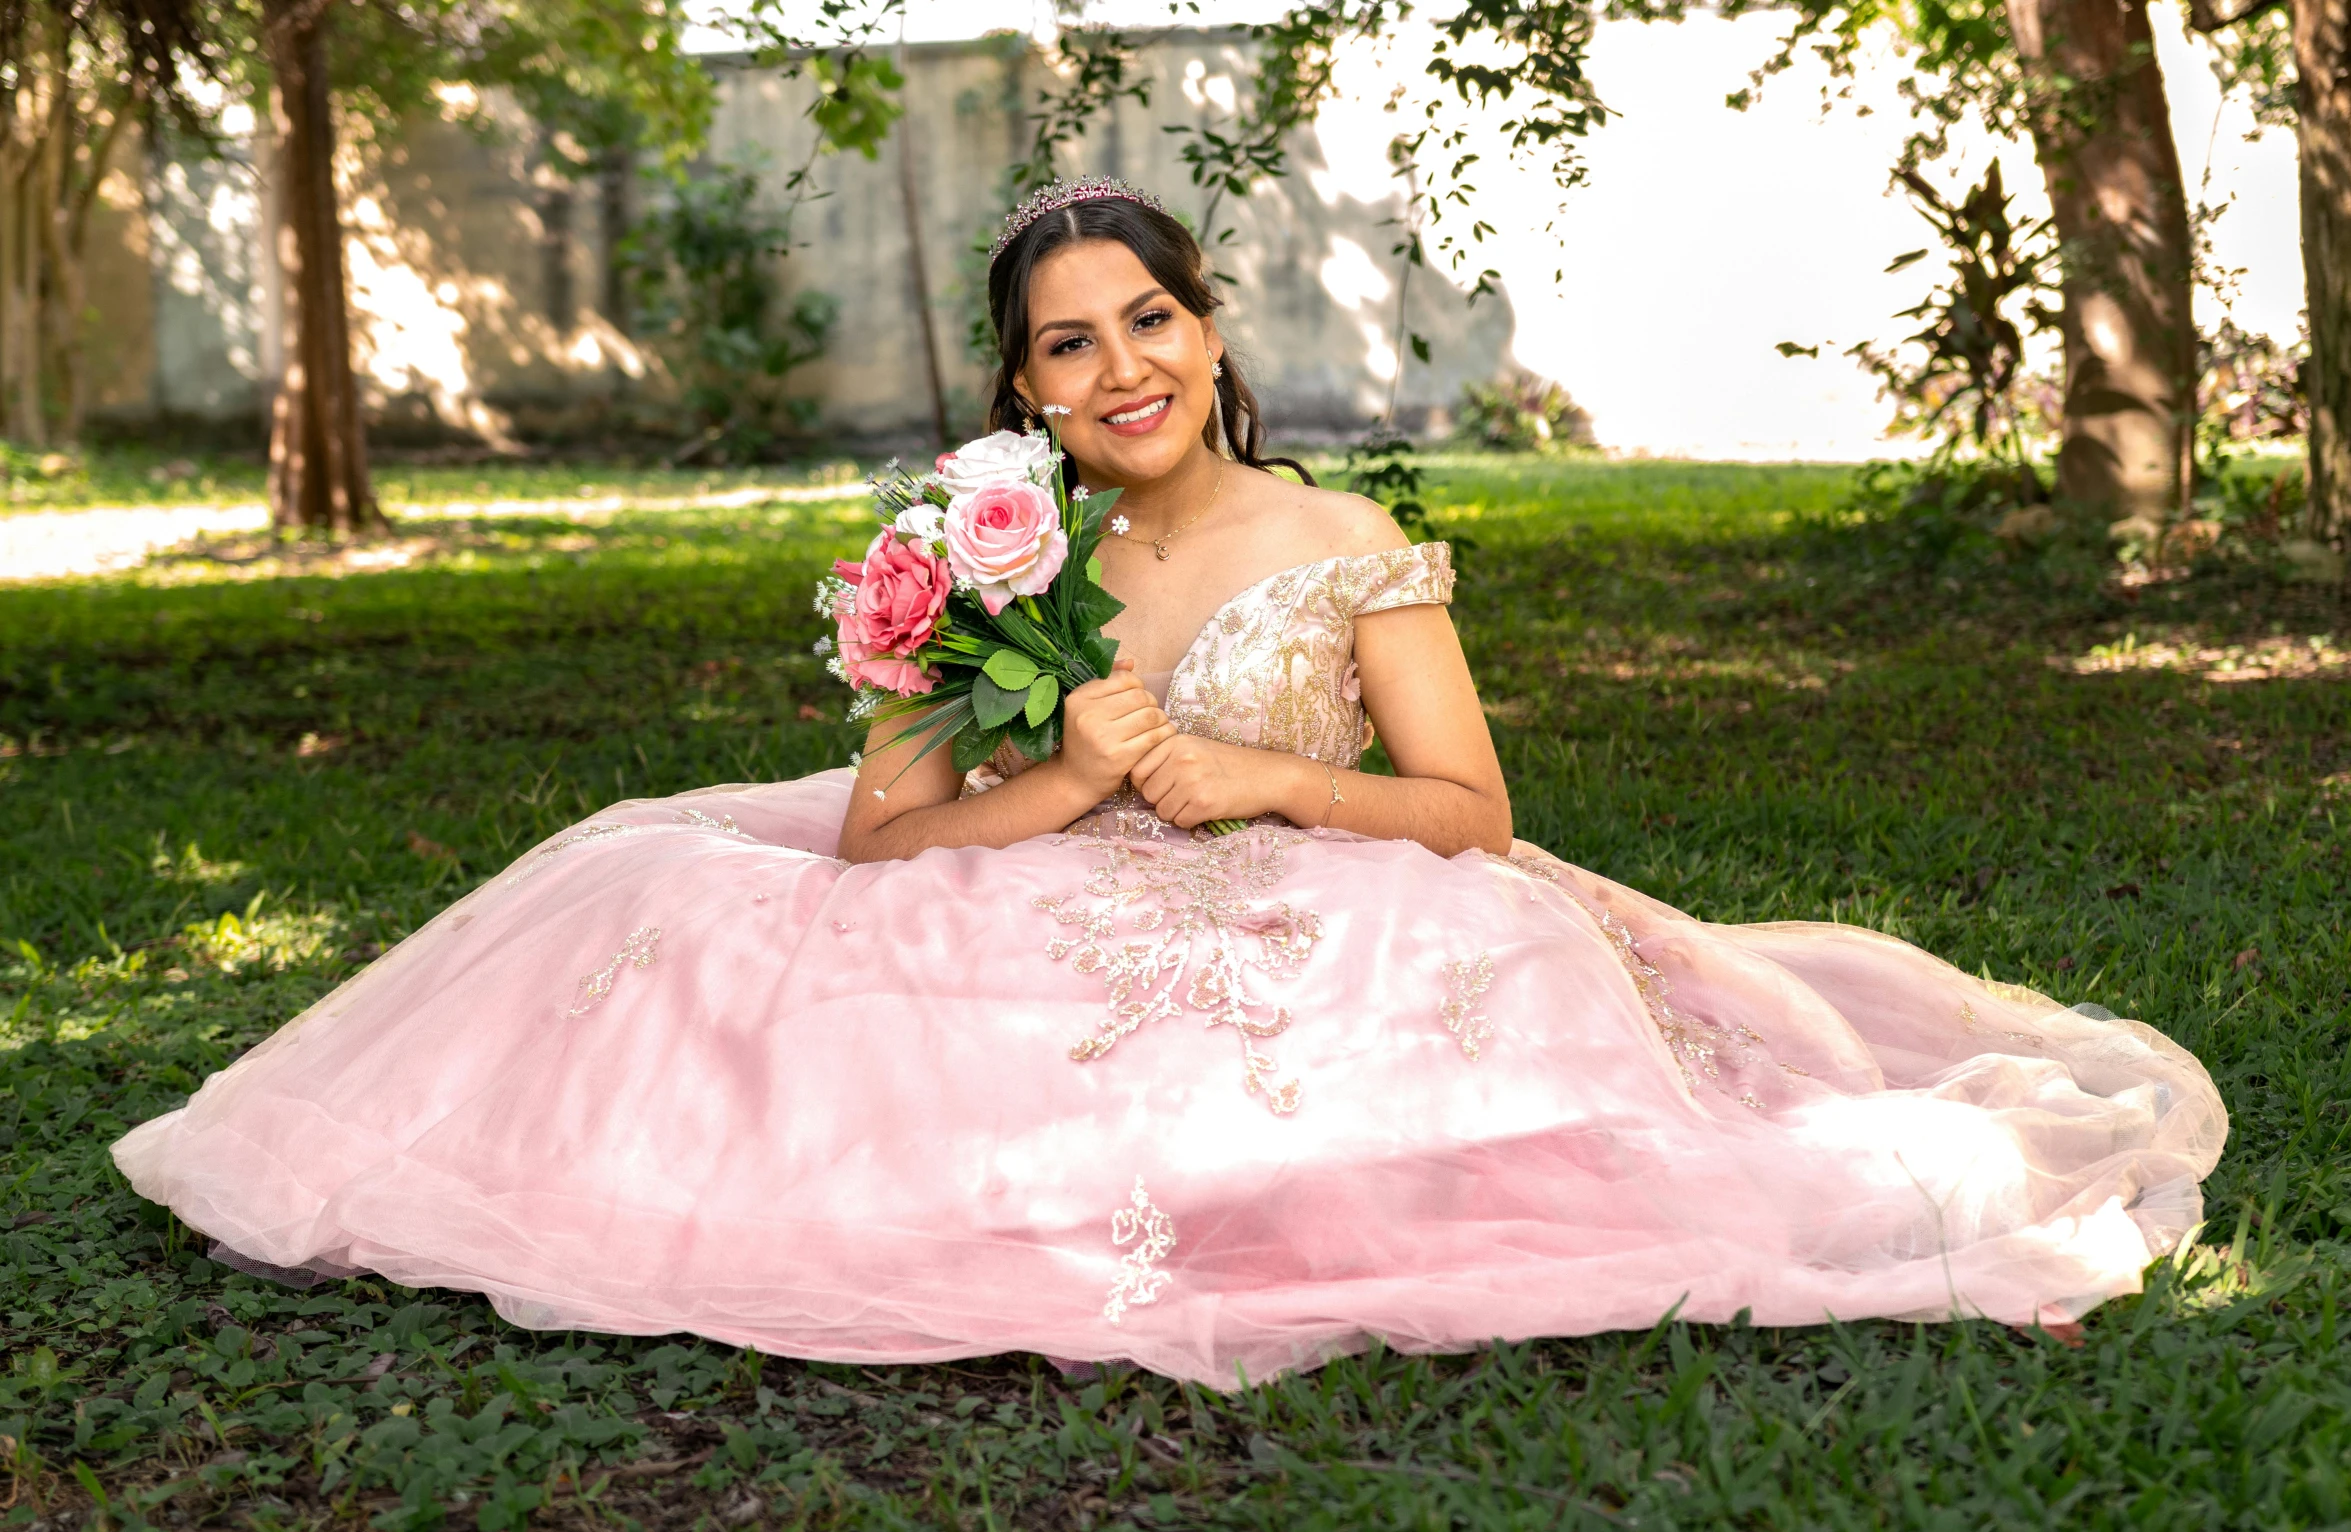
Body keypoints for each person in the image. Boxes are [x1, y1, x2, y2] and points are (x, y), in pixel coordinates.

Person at [114, 179, 2226, 1390]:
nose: (1116, 368)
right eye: (1062, 344)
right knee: (652, 889)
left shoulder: (1336, 543)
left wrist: (1241, 775)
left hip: (1308, 880)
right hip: (1029, 875)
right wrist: (1046, 796)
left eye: (1148, 320)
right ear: (1015, 384)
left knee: (1302, 1052)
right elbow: (874, 833)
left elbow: (1470, 810)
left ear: (1210, 334)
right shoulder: (981, 549)